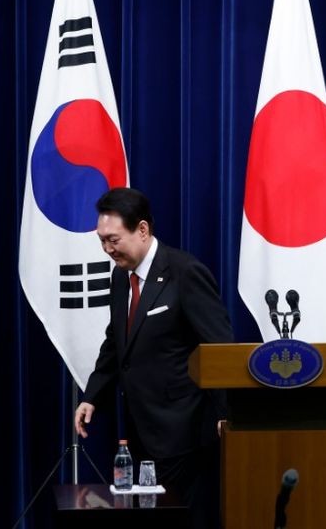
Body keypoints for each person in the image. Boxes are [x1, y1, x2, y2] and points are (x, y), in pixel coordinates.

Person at [73, 188, 233, 527]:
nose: (107, 249)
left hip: (186, 434)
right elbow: (116, 342)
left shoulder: (185, 272)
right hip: (142, 430)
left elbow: (219, 348)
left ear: (142, 230)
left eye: (113, 239)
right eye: (102, 240)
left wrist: (225, 414)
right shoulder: (120, 276)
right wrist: (92, 396)